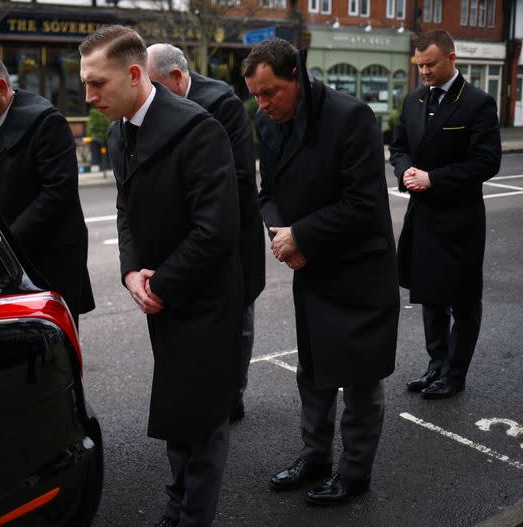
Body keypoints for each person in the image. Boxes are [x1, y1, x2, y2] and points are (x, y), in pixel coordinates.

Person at [80, 25, 242, 527]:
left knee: (204, 420)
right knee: (176, 411)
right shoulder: (118, 130)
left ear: (133, 75)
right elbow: (125, 208)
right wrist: (130, 271)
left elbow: (216, 230)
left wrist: (160, 285)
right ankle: (177, 508)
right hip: (164, 297)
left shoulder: (197, 129)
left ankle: (193, 517)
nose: (88, 96)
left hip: (205, 300)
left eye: (96, 83)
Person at [243, 38, 399, 506]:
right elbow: (266, 191)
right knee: (313, 372)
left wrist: (302, 237)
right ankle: (315, 457)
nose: (263, 104)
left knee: (359, 379)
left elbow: (365, 204)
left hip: (359, 269)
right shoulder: (266, 124)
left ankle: (354, 475)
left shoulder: (351, 117)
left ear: (297, 76)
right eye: (256, 95)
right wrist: (280, 235)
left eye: (270, 92)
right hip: (310, 267)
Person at [146, 43, 265, 423]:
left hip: (229, 236)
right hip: (188, 239)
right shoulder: (155, 108)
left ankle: (234, 393)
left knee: (237, 320)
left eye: (155, 87)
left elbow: (243, 181)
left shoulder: (220, 104)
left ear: (177, 79)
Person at [389, 30, 501, 399]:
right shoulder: (414, 99)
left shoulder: (477, 102)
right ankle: (436, 364)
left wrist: (432, 178)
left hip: (460, 219)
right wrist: (405, 171)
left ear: (452, 59)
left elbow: (486, 162)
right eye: (419, 65)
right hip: (423, 216)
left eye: (431, 64)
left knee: (463, 301)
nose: (424, 71)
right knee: (430, 295)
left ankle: (454, 374)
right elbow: (399, 145)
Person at [0, 54, 94, 324]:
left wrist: (10, 240)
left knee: (56, 333)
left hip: (53, 252)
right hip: (17, 249)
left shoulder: (46, 121)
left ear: (1, 86)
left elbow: (58, 191)